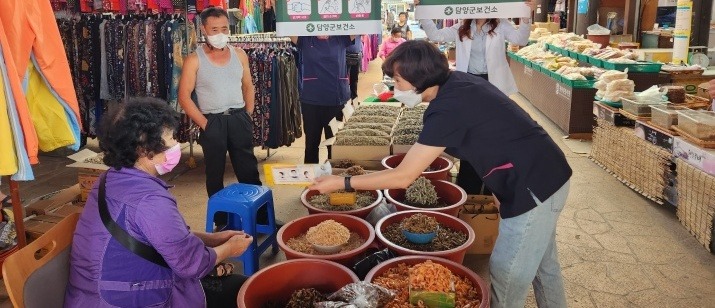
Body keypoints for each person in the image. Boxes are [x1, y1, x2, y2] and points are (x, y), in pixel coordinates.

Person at [310, 41, 572, 308]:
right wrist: (497, 188)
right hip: (542, 171)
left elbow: (403, 177)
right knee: (543, 264)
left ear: (420, 79)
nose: (395, 88)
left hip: (534, 185)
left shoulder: (448, 109)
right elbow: (496, 134)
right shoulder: (456, 83)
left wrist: (342, 181)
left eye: (398, 81)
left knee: (507, 274)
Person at [65, 98, 254, 308]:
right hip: (118, 300)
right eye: (171, 139)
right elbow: (192, 265)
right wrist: (230, 248)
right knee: (245, 290)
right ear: (145, 150)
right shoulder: (150, 200)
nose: (176, 145)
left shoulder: (109, 178)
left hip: (91, 293)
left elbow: (159, 236)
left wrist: (210, 239)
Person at [415, 0, 535, 195]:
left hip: (493, 85)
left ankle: (492, 188)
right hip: (468, 86)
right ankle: (468, 187)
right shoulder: (462, 25)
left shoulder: (501, 24)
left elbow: (521, 40)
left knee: (493, 135)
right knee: (469, 133)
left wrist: (525, 14)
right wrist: (423, 10)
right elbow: (435, 35)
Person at [178, 7, 263, 229]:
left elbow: (248, 86)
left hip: (238, 118)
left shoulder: (240, 54)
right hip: (212, 121)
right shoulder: (193, 60)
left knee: (248, 170)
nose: (220, 33)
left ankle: (260, 217)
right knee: (214, 174)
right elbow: (184, 97)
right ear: (204, 30)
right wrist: (206, 124)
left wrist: (248, 114)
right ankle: (222, 222)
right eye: (214, 29)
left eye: (224, 28)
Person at [290, 35, 356, 164]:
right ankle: (312, 180)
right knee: (311, 144)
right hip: (311, 101)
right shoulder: (305, 39)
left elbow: (360, 23)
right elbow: (287, 25)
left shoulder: (340, 38)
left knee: (334, 144)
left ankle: (334, 178)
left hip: (335, 100)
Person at [346, 37, 363, 103]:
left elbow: (364, 33)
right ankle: (345, 101)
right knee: (344, 80)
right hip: (345, 54)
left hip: (356, 54)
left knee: (354, 79)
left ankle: (354, 99)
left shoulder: (359, 28)